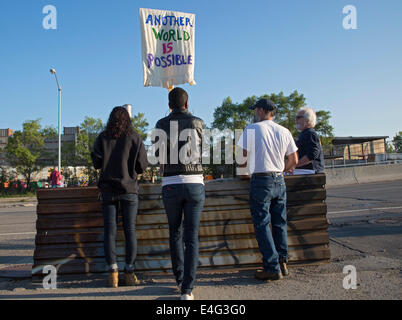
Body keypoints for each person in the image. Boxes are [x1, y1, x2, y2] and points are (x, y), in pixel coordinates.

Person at [236, 98, 298, 281]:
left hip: (261, 181)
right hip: (279, 180)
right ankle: (282, 262)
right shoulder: (284, 131)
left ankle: (271, 267)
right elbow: (294, 160)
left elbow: (241, 159)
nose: (254, 114)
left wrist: (244, 174)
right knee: (279, 222)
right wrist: (279, 170)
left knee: (262, 224)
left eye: (255, 110)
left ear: (261, 111)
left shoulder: (252, 129)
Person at [153, 87, 205, 300]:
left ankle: (179, 277)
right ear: (187, 103)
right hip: (194, 182)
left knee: (175, 232)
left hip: (171, 183)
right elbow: (203, 152)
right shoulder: (199, 123)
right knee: (191, 237)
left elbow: (159, 158)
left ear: (169, 105)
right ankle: (187, 289)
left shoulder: (161, 124)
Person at [91, 106, 148, 288]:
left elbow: (97, 163)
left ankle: (112, 273)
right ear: (128, 120)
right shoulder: (135, 138)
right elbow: (142, 167)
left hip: (108, 190)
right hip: (129, 190)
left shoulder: (102, 137)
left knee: (110, 231)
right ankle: (130, 272)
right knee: (130, 230)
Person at [295, 107, 325, 173]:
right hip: (306, 170)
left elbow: (312, 154)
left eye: (299, 117)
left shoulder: (310, 134)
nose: (296, 119)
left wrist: (295, 165)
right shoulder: (304, 134)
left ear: (308, 120)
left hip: (310, 171)